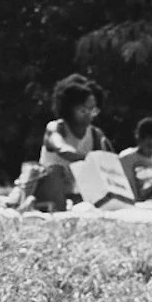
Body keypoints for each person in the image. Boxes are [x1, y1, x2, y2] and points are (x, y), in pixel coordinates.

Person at [22, 75, 102, 211]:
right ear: (69, 108)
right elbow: (62, 149)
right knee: (56, 172)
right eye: (83, 110)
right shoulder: (55, 128)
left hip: (75, 191)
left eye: (92, 110)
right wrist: (88, 158)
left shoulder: (95, 134)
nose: (88, 115)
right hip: (48, 189)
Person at [118, 113, 152, 201]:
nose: (150, 148)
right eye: (147, 144)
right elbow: (130, 191)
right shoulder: (126, 158)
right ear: (138, 138)